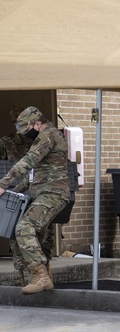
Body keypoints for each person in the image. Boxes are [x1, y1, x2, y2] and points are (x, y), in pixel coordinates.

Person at [0, 107, 70, 294]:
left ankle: (40, 276)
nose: (25, 134)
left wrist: (3, 184)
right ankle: (40, 277)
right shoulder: (45, 137)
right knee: (34, 237)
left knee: (24, 228)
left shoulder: (48, 136)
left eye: (26, 129)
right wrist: (13, 191)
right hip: (41, 193)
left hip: (53, 193)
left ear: (37, 123)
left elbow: (29, 161)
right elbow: (33, 173)